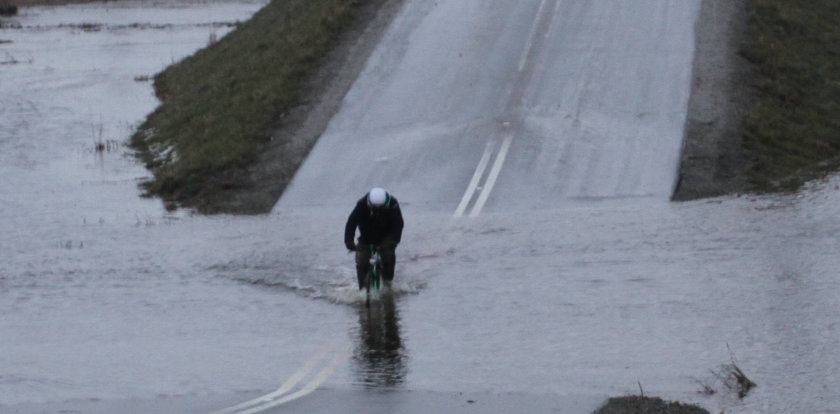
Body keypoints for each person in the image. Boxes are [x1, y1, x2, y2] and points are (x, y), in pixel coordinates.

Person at [345, 188, 404, 290]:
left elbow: (398, 224)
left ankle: (388, 283)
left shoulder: (393, 204)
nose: (378, 209)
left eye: (381, 207)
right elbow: (351, 223)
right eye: (375, 207)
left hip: (386, 237)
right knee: (361, 260)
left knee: (388, 256)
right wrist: (349, 241)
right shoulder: (361, 205)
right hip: (366, 237)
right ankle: (362, 289)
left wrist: (394, 240)